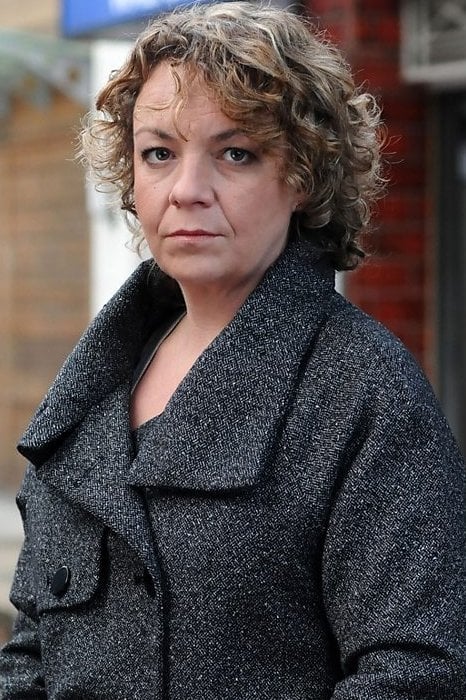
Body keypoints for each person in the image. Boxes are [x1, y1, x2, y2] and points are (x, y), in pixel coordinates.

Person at [0, 2, 464, 698]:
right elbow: (31, 653)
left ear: (303, 174)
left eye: (236, 153)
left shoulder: (365, 392)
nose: (187, 191)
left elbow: (416, 674)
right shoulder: (95, 388)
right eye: (159, 153)